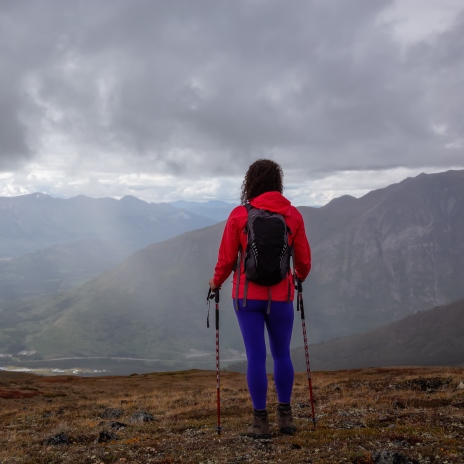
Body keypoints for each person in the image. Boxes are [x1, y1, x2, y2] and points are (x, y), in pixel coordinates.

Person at [209, 159, 311, 438]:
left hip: (246, 298)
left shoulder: (240, 215)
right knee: (281, 354)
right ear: (278, 183)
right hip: (281, 297)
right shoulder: (293, 216)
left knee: (255, 356)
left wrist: (215, 282)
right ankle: (286, 418)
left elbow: (227, 259)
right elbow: (303, 262)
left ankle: (260, 422)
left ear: (250, 182)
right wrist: (299, 277)